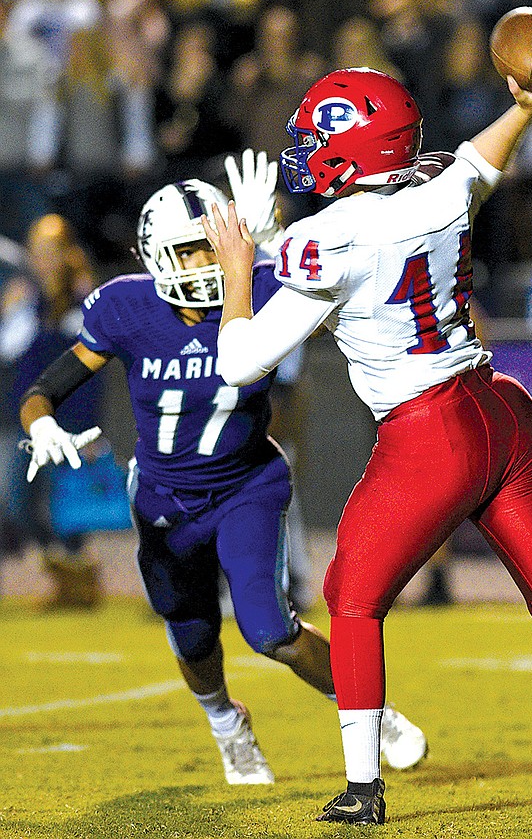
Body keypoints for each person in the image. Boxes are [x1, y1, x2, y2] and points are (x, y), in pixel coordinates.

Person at [203, 66, 532, 830]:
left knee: (351, 596)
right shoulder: (441, 191)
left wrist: (240, 268)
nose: (307, 146)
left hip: (426, 433)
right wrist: (528, 104)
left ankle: (363, 788)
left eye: (322, 133)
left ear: (354, 148)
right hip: (501, 409)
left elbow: (240, 360)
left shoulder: (328, 238)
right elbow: (481, 158)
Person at [17, 150, 427, 784]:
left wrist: (271, 241)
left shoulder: (258, 287)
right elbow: (47, 386)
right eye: (188, 252)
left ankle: (373, 711)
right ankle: (226, 723)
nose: (205, 264)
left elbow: (333, 269)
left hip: (245, 486)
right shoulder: (126, 307)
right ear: (155, 256)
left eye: (211, 248)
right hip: (162, 499)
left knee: (270, 629)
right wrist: (40, 422)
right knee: (194, 633)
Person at [2, 213, 104, 607]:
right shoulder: (24, 296)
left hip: (73, 420)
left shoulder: (84, 297)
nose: (42, 260)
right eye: (37, 251)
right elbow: (10, 349)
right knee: (19, 502)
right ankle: (67, 574)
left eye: (50, 251)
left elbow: (94, 362)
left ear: (66, 253)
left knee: (70, 507)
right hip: (28, 417)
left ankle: (76, 585)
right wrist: (13, 309)